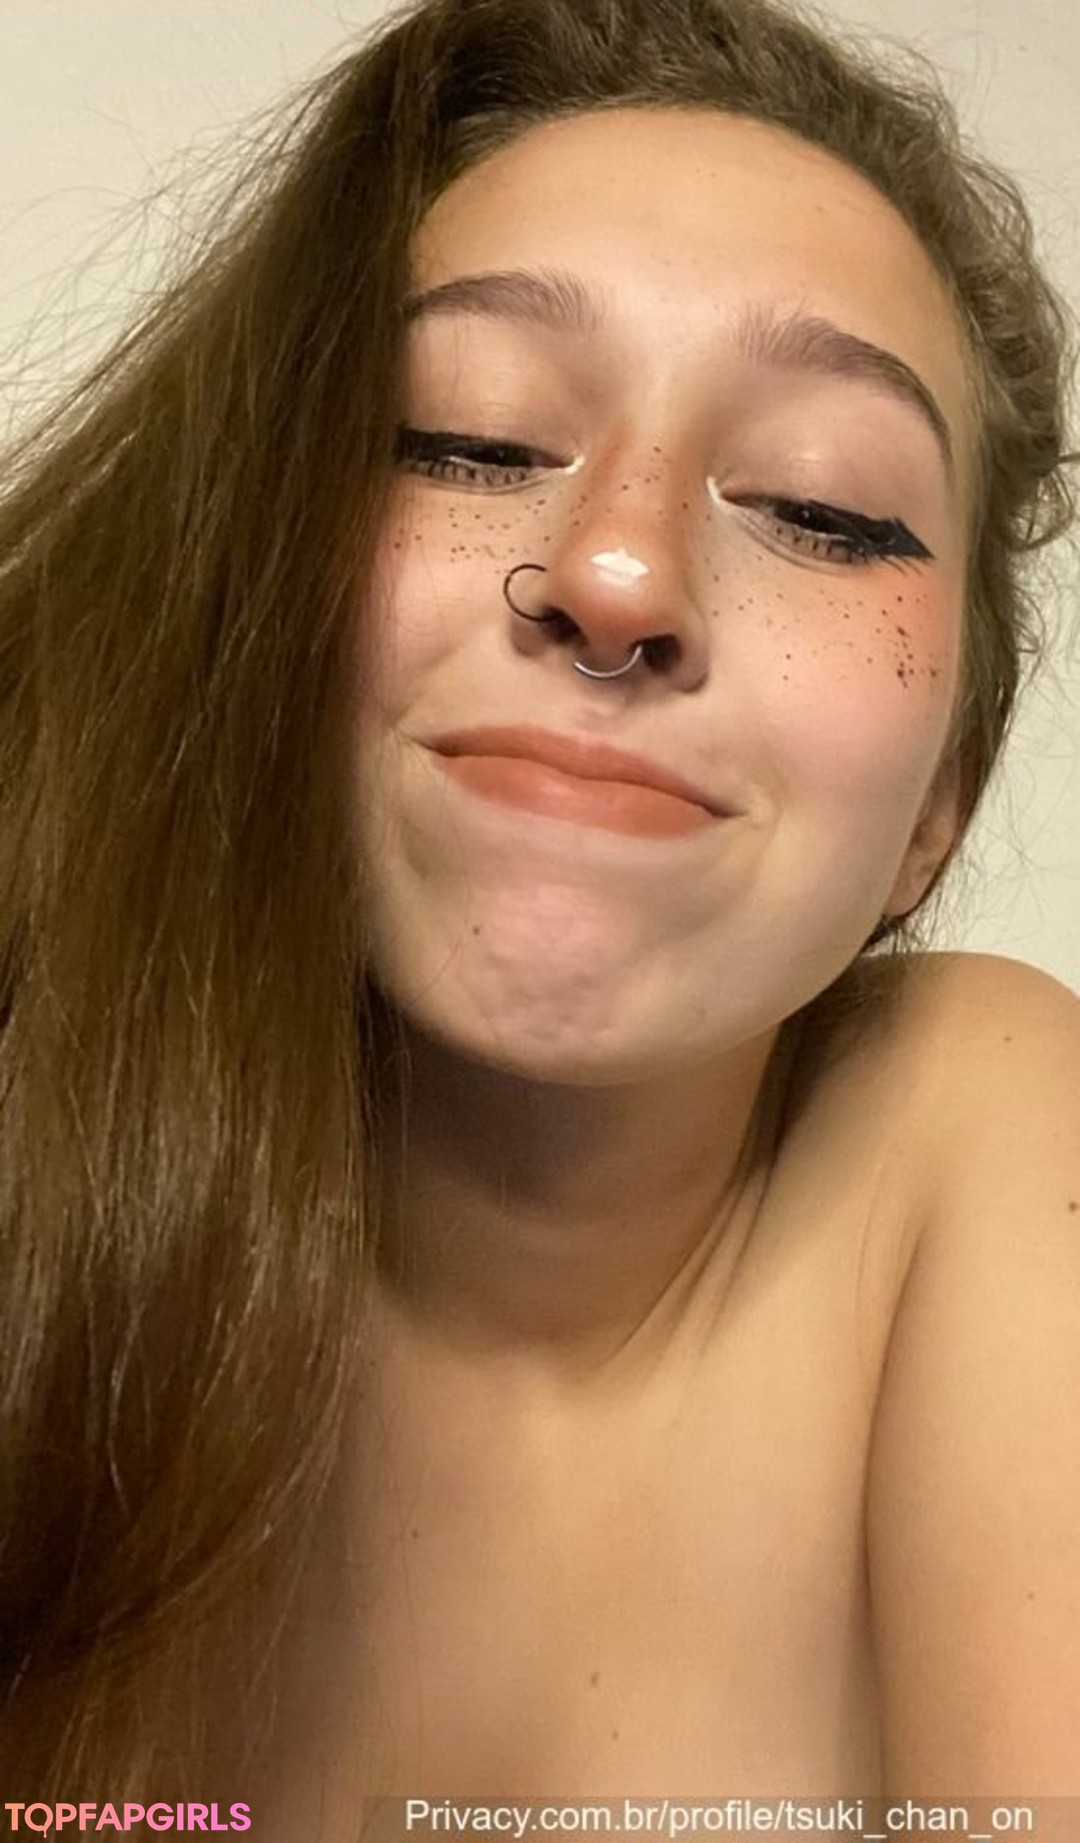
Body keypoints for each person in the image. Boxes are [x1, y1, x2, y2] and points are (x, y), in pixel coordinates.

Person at [0, 0, 1077, 1835]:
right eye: (469, 439)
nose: (619, 571)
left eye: (821, 509)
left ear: (936, 815)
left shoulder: (980, 1128)